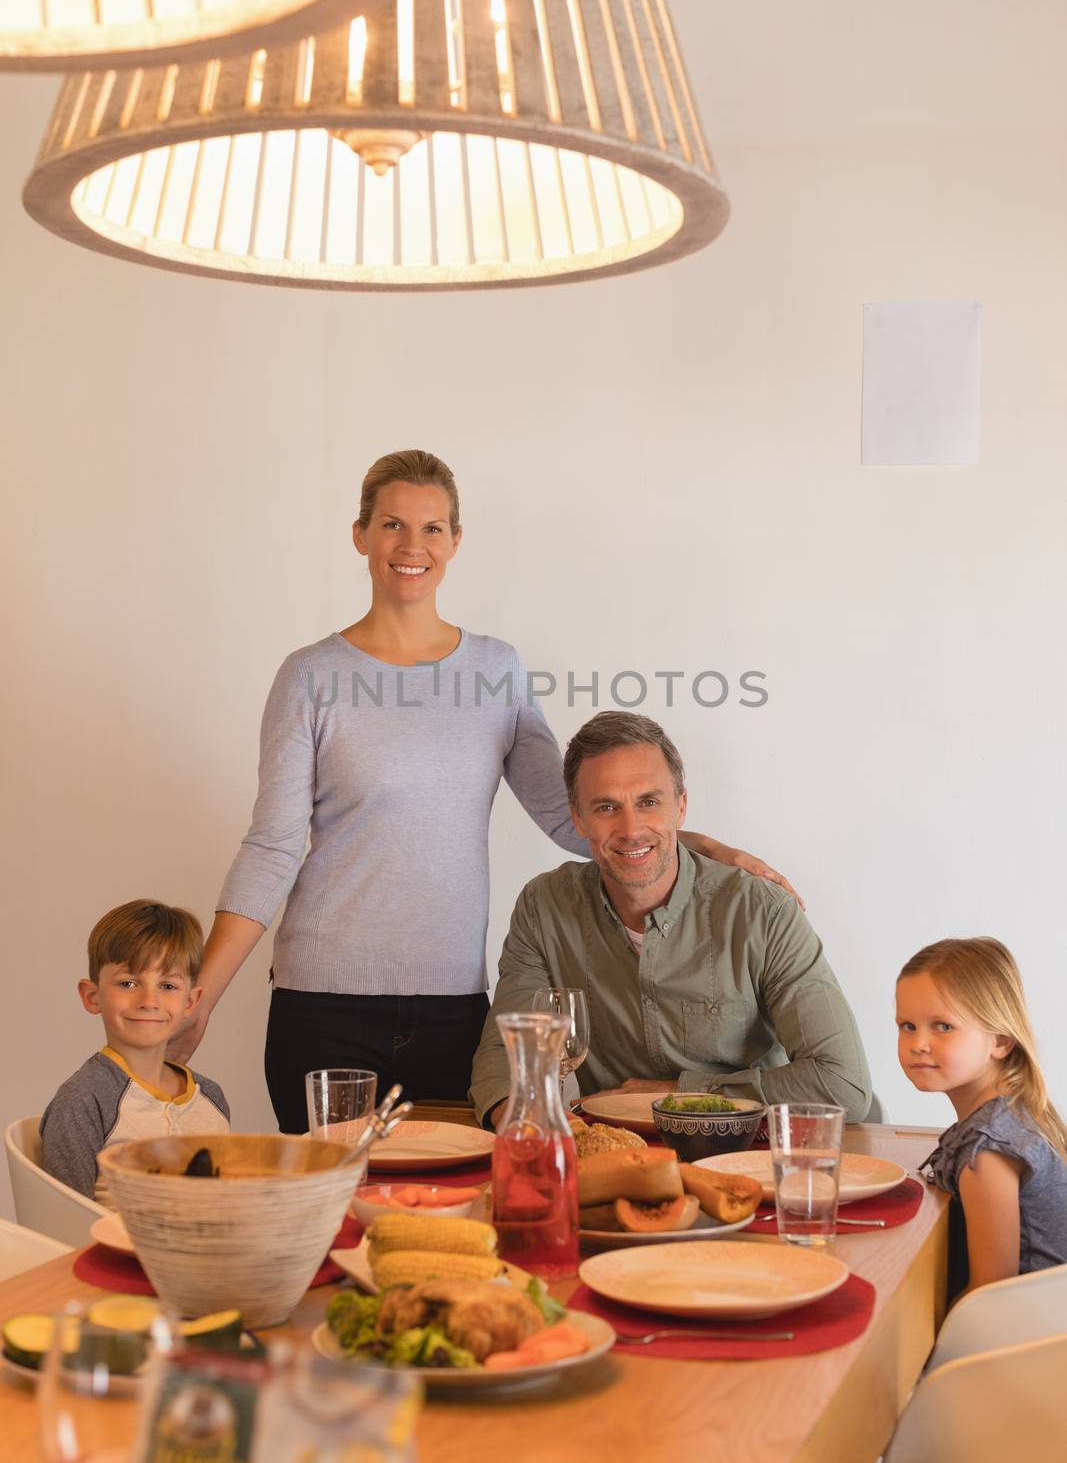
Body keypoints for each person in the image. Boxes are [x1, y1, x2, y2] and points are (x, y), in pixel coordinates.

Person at [169, 450, 800, 1130]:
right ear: (360, 536)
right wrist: (200, 995)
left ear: (455, 542)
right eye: (391, 525)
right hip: (323, 1004)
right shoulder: (311, 677)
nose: (412, 546)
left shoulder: (495, 672)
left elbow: (573, 820)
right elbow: (273, 845)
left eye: (432, 528)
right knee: (330, 1216)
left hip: (453, 1008)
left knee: (448, 1211)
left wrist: (706, 850)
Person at [470, 711, 870, 1126]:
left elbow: (843, 1084)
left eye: (649, 802)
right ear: (577, 818)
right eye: (606, 807)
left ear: (680, 807)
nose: (631, 828)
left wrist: (682, 1093)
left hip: (747, 1153)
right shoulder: (545, 907)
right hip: (616, 1159)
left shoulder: (762, 911)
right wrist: (522, 1122)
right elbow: (506, 1053)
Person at [896, 937, 1067, 1297]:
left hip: (1019, 1337)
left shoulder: (988, 1150)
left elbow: (990, 1293)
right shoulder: (1016, 1110)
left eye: (942, 1026)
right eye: (907, 1025)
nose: (918, 1043)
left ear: (1001, 1041)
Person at [40, 900, 230, 1205]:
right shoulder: (81, 1101)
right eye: (128, 983)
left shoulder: (211, 1098)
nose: (149, 1000)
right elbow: (65, 1222)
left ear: (190, 1003)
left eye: (168, 986)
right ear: (92, 996)